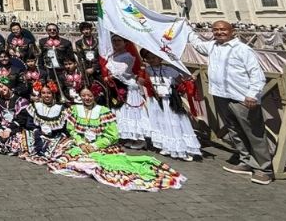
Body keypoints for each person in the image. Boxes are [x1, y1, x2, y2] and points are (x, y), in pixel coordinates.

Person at [47, 87, 185, 192]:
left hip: (100, 145)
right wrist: (82, 143)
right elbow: (72, 129)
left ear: (95, 96)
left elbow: (112, 135)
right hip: (81, 143)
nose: (86, 98)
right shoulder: (75, 110)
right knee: (67, 157)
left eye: (89, 95)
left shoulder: (103, 111)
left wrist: (95, 145)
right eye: (84, 96)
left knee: (108, 164)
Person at [190, 20, 271, 184]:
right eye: (216, 30)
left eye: (223, 29)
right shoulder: (213, 46)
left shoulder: (242, 49)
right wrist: (184, 28)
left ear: (232, 31)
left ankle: (264, 169)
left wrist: (252, 94)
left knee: (254, 133)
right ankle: (245, 161)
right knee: (234, 130)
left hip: (242, 97)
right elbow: (197, 45)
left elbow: (256, 74)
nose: (219, 32)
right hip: (221, 95)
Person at [143, 51, 201, 161]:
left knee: (175, 123)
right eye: (148, 58)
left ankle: (183, 149)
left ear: (160, 58)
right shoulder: (147, 71)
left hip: (170, 100)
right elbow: (142, 82)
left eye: (154, 57)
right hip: (156, 101)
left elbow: (181, 82)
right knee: (162, 123)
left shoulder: (170, 70)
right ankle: (168, 146)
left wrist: (189, 81)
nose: (151, 60)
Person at [105, 35, 149, 149]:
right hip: (118, 86)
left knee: (132, 113)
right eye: (114, 41)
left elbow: (121, 73)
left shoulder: (128, 56)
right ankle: (129, 137)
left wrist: (109, 76)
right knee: (123, 112)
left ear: (125, 43)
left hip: (127, 86)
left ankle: (139, 138)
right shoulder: (113, 55)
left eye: (119, 40)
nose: (116, 43)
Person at [0, 78, 30, 154]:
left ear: (8, 85)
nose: (1, 90)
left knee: (20, 134)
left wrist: (8, 130)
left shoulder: (21, 101)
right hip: (0, 127)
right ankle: (0, 140)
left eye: (2, 86)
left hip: (14, 127)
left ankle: (2, 142)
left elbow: (21, 119)